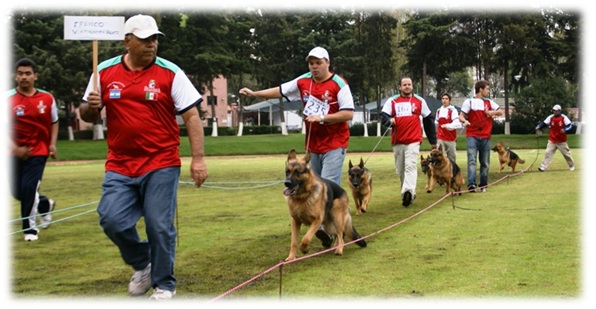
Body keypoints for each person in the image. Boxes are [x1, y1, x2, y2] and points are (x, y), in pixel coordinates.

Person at [79, 14, 208, 300]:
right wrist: (91, 107)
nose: (152, 44)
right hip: (120, 164)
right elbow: (87, 114)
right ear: (127, 41)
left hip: (161, 162)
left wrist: (198, 159)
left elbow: (191, 115)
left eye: (155, 39)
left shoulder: (170, 72)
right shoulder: (103, 71)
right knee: (111, 219)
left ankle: (164, 285)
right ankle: (143, 262)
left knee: (158, 225)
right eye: (145, 39)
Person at [239, 46, 355, 248]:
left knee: (326, 185)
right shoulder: (303, 80)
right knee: (311, 188)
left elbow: (348, 114)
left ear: (327, 63)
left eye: (318, 63)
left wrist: (322, 117)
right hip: (313, 145)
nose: (314, 67)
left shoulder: (339, 84)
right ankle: (323, 227)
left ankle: (330, 230)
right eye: (311, 63)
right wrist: (255, 93)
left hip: (335, 143)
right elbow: (280, 90)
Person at [8, 57, 58, 242]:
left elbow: (54, 122)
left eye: (28, 73)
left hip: (38, 151)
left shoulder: (47, 98)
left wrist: (52, 144)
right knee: (16, 191)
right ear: (15, 76)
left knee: (29, 187)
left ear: (35, 76)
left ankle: (30, 230)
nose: (24, 77)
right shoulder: (7, 98)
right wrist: (15, 148)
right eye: (20, 73)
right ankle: (45, 204)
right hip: (12, 153)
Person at [379, 76, 437, 207]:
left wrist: (433, 141)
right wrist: (389, 120)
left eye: (409, 84)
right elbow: (383, 116)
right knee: (401, 170)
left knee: (410, 166)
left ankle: (408, 191)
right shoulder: (392, 101)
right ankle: (408, 194)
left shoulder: (419, 101)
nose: (407, 87)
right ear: (399, 87)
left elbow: (428, 120)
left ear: (412, 86)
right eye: (404, 85)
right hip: (398, 141)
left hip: (414, 140)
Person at [458, 80, 503, 193]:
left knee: (485, 162)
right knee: (472, 160)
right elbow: (461, 116)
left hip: (486, 136)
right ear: (481, 90)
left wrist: (491, 113)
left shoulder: (489, 102)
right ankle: (471, 184)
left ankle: (483, 184)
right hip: (472, 135)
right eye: (487, 89)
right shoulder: (469, 102)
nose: (488, 91)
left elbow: (500, 111)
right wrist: (465, 121)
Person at [535, 104, 575, 172]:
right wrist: (539, 126)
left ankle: (571, 166)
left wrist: (565, 129)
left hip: (561, 141)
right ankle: (543, 167)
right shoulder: (550, 117)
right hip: (552, 140)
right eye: (553, 110)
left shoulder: (563, 117)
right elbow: (544, 123)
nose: (554, 112)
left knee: (566, 154)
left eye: (556, 111)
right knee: (548, 153)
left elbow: (570, 125)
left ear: (559, 111)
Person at [435, 92, 461, 163]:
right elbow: (436, 123)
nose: (444, 100)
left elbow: (456, 123)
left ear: (449, 100)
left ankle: (452, 172)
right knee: (439, 156)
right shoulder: (438, 111)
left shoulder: (453, 110)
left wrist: (447, 126)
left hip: (451, 138)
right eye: (443, 99)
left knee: (451, 157)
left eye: (446, 99)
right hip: (440, 137)